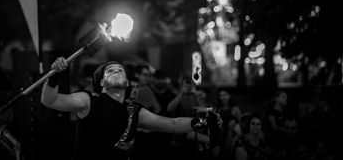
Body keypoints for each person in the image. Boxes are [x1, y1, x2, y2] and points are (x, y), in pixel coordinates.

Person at [41, 58, 222, 160]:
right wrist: (54, 76)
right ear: (102, 82)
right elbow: (51, 100)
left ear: (127, 82)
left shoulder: (134, 111)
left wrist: (204, 122)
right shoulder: (89, 100)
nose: (117, 71)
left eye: (120, 70)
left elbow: (172, 124)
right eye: (110, 71)